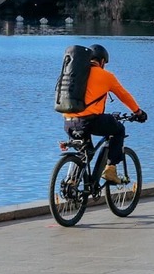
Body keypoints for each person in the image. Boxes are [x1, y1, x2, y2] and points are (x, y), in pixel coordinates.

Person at [62, 44, 147, 184]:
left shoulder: (75, 73)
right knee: (119, 130)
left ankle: (73, 183)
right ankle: (110, 169)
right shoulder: (106, 76)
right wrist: (138, 112)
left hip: (69, 121)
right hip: (90, 122)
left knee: (86, 153)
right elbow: (124, 95)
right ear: (101, 61)